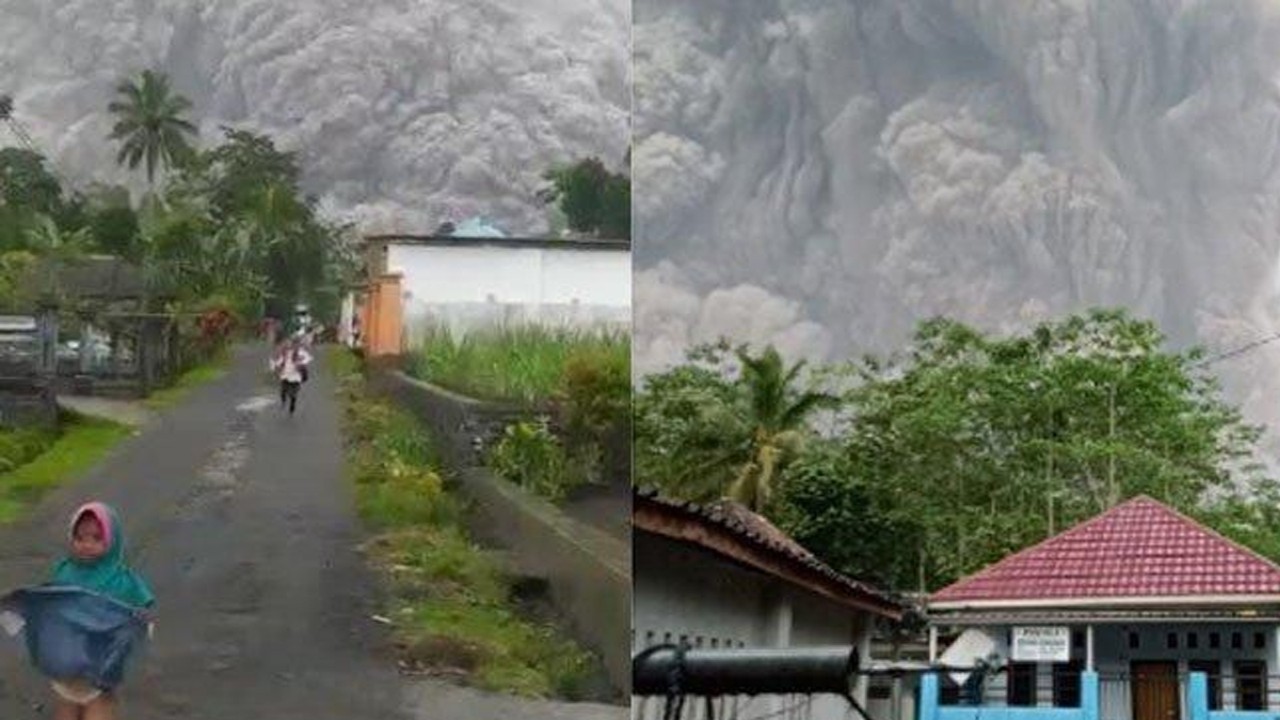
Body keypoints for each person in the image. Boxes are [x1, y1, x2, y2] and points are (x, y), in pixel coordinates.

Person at [41, 503, 154, 720]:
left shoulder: (120, 578)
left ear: (112, 540)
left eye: (96, 538)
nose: (87, 545)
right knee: (66, 707)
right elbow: (51, 604)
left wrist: (138, 622)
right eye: (80, 538)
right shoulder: (65, 570)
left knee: (98, 707)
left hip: (102, 664)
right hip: (67, 662)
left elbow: (142, 606)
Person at [271, 338, 313, 414]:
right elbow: (279, 361)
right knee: (283, 391)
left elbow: (308, 358)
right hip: (285, 374)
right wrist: (275, 365)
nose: (290, 346)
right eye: (288, 344)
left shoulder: (300, 352)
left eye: (292, 344)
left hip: (295, 376)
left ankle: (292, 404)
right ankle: (283, 401)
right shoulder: (284, 353)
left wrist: (301, 362)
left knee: (293, 393)